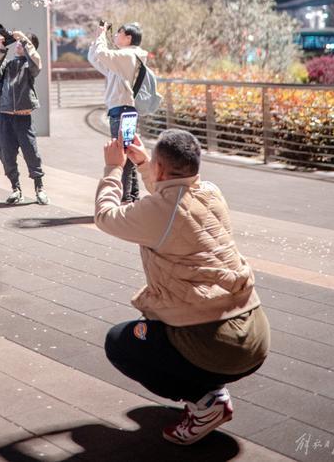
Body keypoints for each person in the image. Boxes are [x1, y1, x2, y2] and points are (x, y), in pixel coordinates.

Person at [95, 128, 270, 446]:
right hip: (254, 336)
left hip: (213, 345)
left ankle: (206, 403)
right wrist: (146, 163)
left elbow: (106, 216)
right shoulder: (211, 192)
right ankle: (208, 389)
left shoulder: (159, 212)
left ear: (162, 169)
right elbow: (173, 200)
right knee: (152, 328)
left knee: (123, 340)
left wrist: (113, 167)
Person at [88, 21, 149, 203]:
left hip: (124, 110)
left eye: (119, 33)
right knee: (127, 151)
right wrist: (98, 37)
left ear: (128, 38)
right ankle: (132, 196)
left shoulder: (129, 55)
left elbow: (102, 53)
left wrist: (101, 35)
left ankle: (125, 196)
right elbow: (96, 57)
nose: (115, 36)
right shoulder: (122, 58)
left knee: (123, 153)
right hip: (122, 110)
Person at [0, 30, 49, 206]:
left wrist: (24, 39)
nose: (18, 44)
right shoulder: (8, 64)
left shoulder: (30, 66)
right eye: (16, 42)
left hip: (23, 117)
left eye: (22, 43)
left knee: (31, 153)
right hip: (4, 117)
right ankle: (16, 189)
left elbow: (37, 62)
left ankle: (39, 188)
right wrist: (1, 48)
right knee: (6, 155)